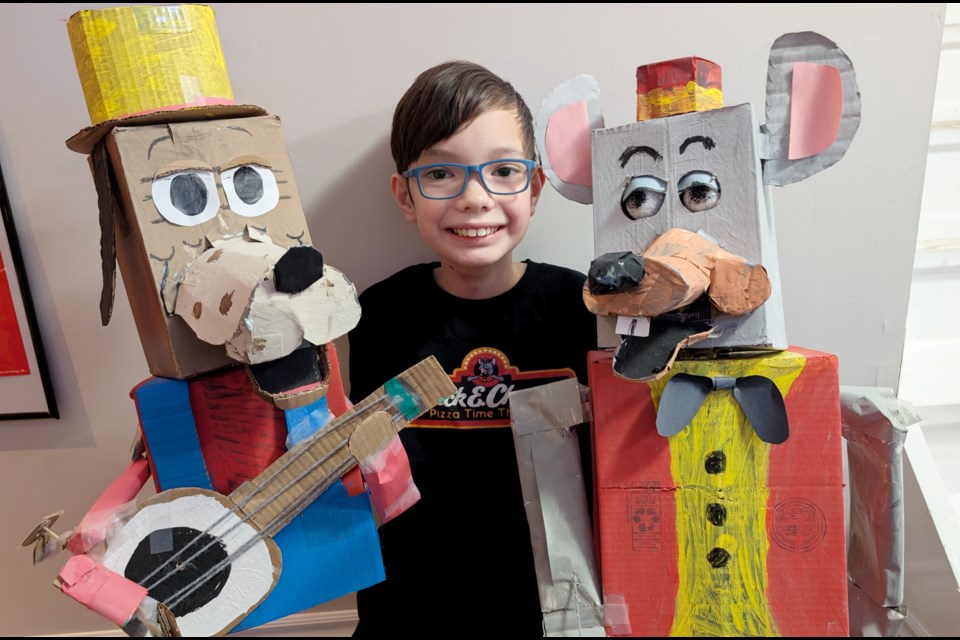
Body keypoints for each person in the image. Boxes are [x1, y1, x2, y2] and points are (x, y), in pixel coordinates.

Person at [349, 60, 596, 635]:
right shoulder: (377, 314)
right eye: (440, 174)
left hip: (556, 612)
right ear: (405, 196)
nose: (474, 198)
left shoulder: (583, 306)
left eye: (504, 171)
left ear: (534, 189)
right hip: (408, 612)